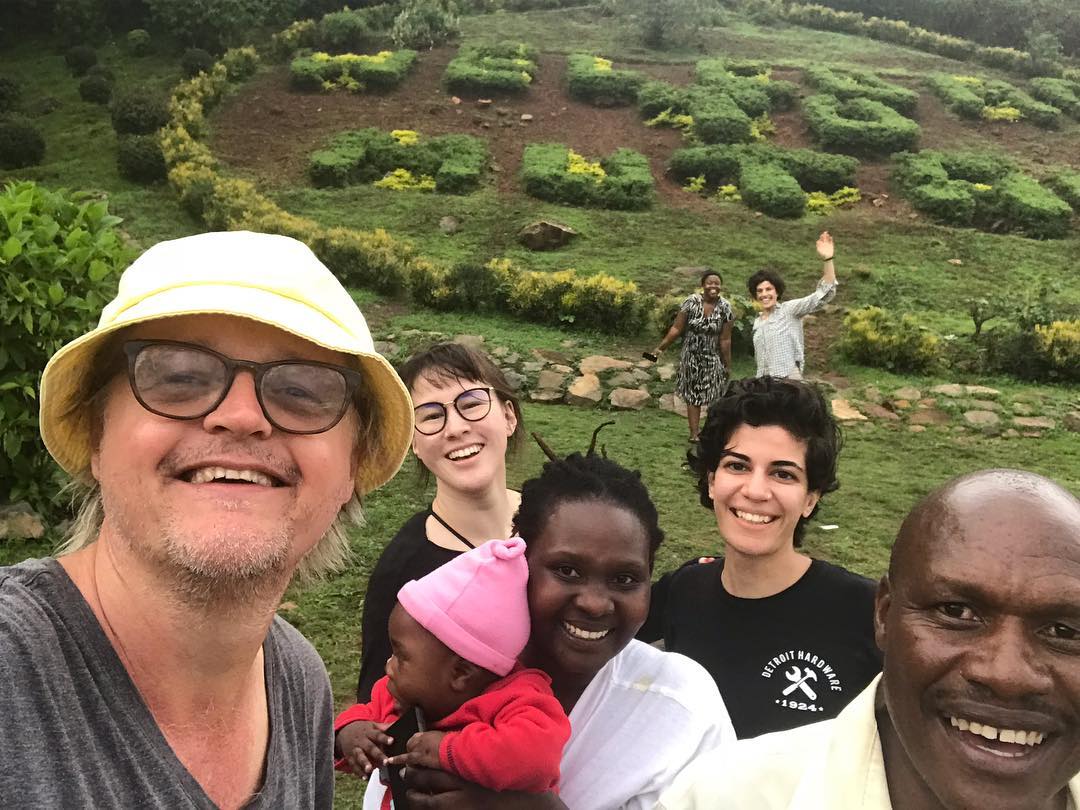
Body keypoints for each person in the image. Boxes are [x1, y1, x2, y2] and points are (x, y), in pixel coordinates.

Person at [0, 231, 414, 808]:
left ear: (353, 466)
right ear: (97, 435)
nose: (241, 416)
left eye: (301, 390)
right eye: (179, 377)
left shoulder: (299, 683)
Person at [658, 469, 1080, 809]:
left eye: (1064, 631)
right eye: (956, 612)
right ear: (883, 614)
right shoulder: (721, 798)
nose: (1007, 674)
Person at [403, 440, 736, 810]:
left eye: (625, 579)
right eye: (567, 570)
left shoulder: (681, 709)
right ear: (520, 561)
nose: (595, 603)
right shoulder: (454, 671)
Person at [638, 377, 881, 739]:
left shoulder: (866, 613)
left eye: (783, 474)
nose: (755, 491)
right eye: (737, 466)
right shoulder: (683, 591)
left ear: (810, 498)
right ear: (711, 481)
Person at [336, 539, 570, 809]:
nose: (389, 666)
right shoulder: (398, 695)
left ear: (460, 673)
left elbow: (536, 758)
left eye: (401, 656)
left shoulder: (519, 701)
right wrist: (350, 733)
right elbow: (364, 714)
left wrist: (448, 750)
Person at [355, 342, 523, 702]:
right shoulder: (403, 573)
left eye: (472, 404)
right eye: (431, 416)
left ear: (509, 416)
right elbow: (378, 707)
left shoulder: (561, 527)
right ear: (413, 443)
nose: (456, 428)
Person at [650, 269, 734, 443]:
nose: (713, 286)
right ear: (702, 285)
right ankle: (694, 434)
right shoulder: (691, 302)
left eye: (717, 283)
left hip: (713, 357)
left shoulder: (725, 307)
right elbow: (676, 328)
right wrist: (660, 348)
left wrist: (727, 364)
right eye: (709, 283)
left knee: (714, 395)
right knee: (693, 395)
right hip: (691, 357)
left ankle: (710, 432)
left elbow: (725, 339)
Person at [748, 231, 837, 379]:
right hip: (764, 383)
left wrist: (828, 259)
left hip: (788, 381)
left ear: (777, 292)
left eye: (769, 289)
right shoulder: (757, 322)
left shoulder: (789, 310)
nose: (764, 294)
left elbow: (823, 294)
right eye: (760, 291)